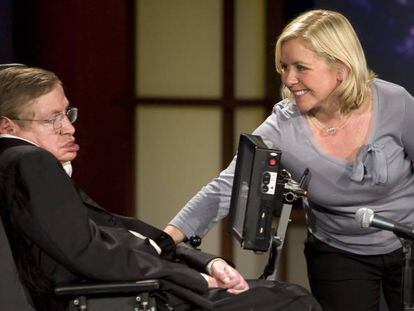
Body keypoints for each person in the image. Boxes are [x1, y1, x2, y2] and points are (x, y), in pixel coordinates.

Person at [0, 65, 321, 311]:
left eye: (66, 113)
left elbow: (111, 231)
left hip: (126, 284)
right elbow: (91, 255)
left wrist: (201, 260)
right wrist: (192, 277)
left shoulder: (22, 164)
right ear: (7, 126)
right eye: (52, 119)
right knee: (291, 300)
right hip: (114, 295)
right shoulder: (29, 162)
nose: (69, 128)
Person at [165, 9, 414, 311]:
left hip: (409, 241)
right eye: (284, 66)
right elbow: (226, 187)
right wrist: (163, 240)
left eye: (301, 67)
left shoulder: (395, 103)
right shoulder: (283, 126)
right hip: (340, 254)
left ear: (341, 69)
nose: (288, 78)